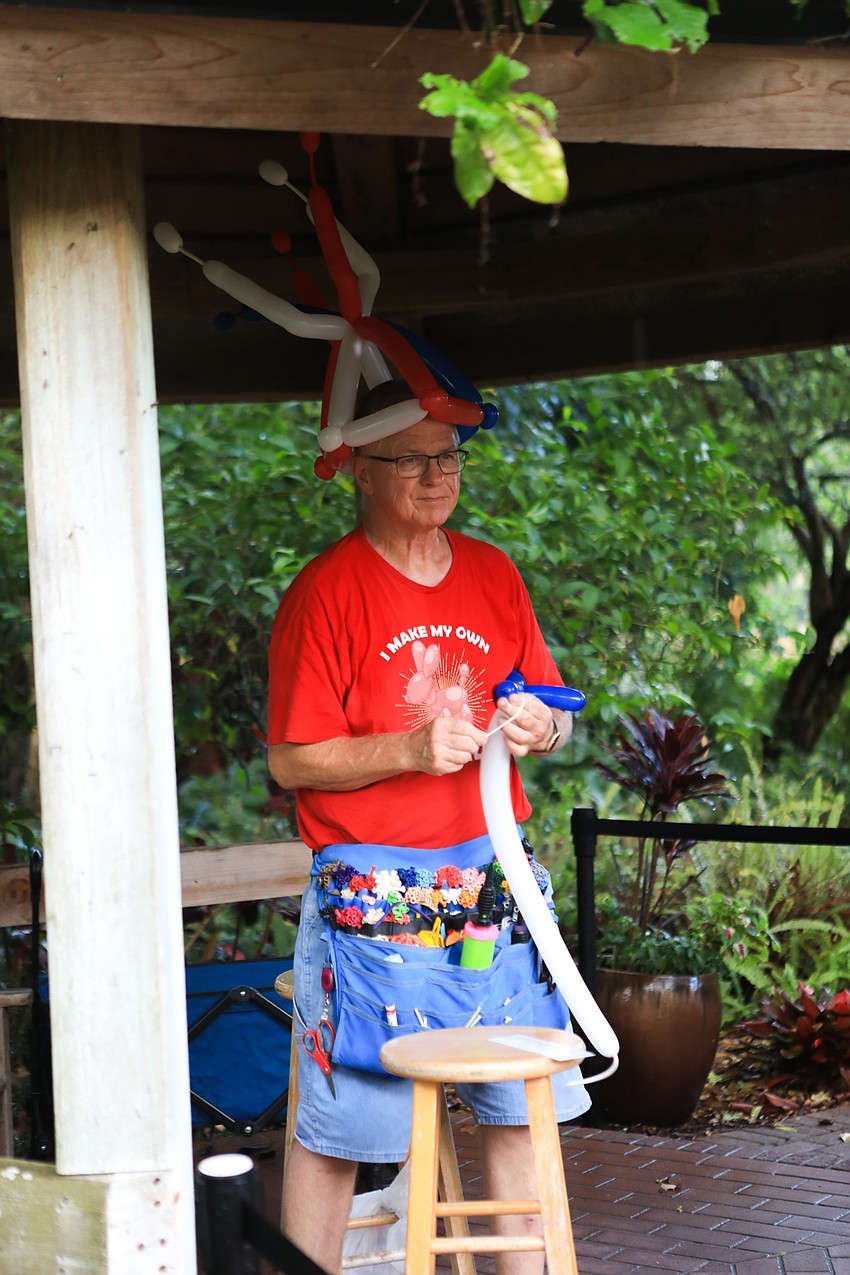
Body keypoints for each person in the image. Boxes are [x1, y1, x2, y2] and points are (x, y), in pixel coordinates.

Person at [267, 383, 589, 1274]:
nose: (436, 473)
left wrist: (543, 726)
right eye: (411, 457)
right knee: (343, 1130)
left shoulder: (494, 572)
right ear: (361, 472)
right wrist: (407, 746)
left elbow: (555, 710)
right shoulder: (325, 592)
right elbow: (293, 759)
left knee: (517, 1110)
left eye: (447, 454)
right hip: (375, 893)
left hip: (495, 878)